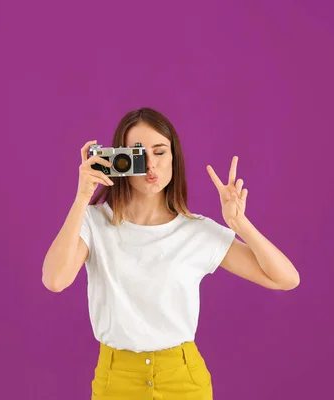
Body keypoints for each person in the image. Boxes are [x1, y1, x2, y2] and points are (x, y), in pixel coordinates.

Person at [42, 107, 300, 399]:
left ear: (174, 158)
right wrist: (82, 197)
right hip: (116, 380)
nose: (150, 165)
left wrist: (239, 223)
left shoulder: (197, 231)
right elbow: (55, 280)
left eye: (160, 152)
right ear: (117, 159)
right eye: (137, 153)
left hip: (183, 379)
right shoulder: (94, 222)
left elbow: (286, 278)